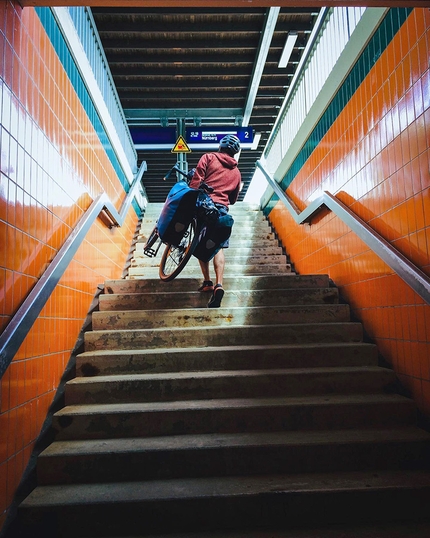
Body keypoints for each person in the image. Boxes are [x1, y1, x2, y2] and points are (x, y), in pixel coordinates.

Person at [189, 134, 242, 308]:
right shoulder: (236, 172)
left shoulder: (209, 157)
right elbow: (233, 199)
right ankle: (219, 284)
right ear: (234, 153)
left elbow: (196, 181)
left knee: (200, 241)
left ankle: (207, 282)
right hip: (221, 211)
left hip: (204, 206)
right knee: (217, 246)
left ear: (220, 147)